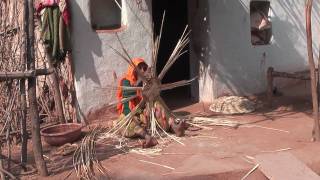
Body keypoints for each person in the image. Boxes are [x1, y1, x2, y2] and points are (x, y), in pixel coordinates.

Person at [116, 58, 185, 148]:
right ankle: (148, 138)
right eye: (139, 68)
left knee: (157, 105)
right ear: (133, 70)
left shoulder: (147, 81)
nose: (142, 71)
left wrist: (152, 85)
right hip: (132, 114)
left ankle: (174, 127)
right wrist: (141, 81)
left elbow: (153, 96)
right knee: (124, 121)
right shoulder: (126, 81)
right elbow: (127, 106)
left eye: (144, 68)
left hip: (145, 114)